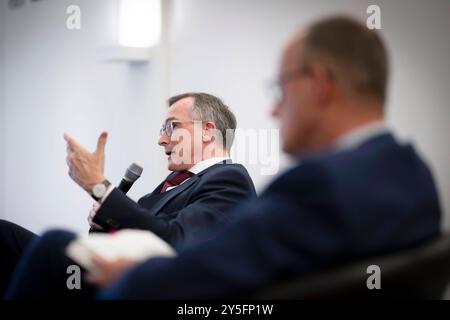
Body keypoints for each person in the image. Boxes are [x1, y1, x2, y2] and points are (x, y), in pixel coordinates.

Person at [5, 16, 441, 300]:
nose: (273, 110)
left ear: (321, 85)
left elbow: (208, 265)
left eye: (280, 90)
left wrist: (129, 277)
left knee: (55, 247)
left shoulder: (317, 186)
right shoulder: (411, 176)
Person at [0, 92, 256, 297]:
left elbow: (176, 241)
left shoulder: (228, 179)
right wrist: (104, 222)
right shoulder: (169, 185)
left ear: (208, 131)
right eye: (162, 130)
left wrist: (100, 188)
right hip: (114, 272)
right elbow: (134, 233)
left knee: (54, 242)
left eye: (172, 126)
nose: (162, 140)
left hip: (147, 286)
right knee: (6, 236)